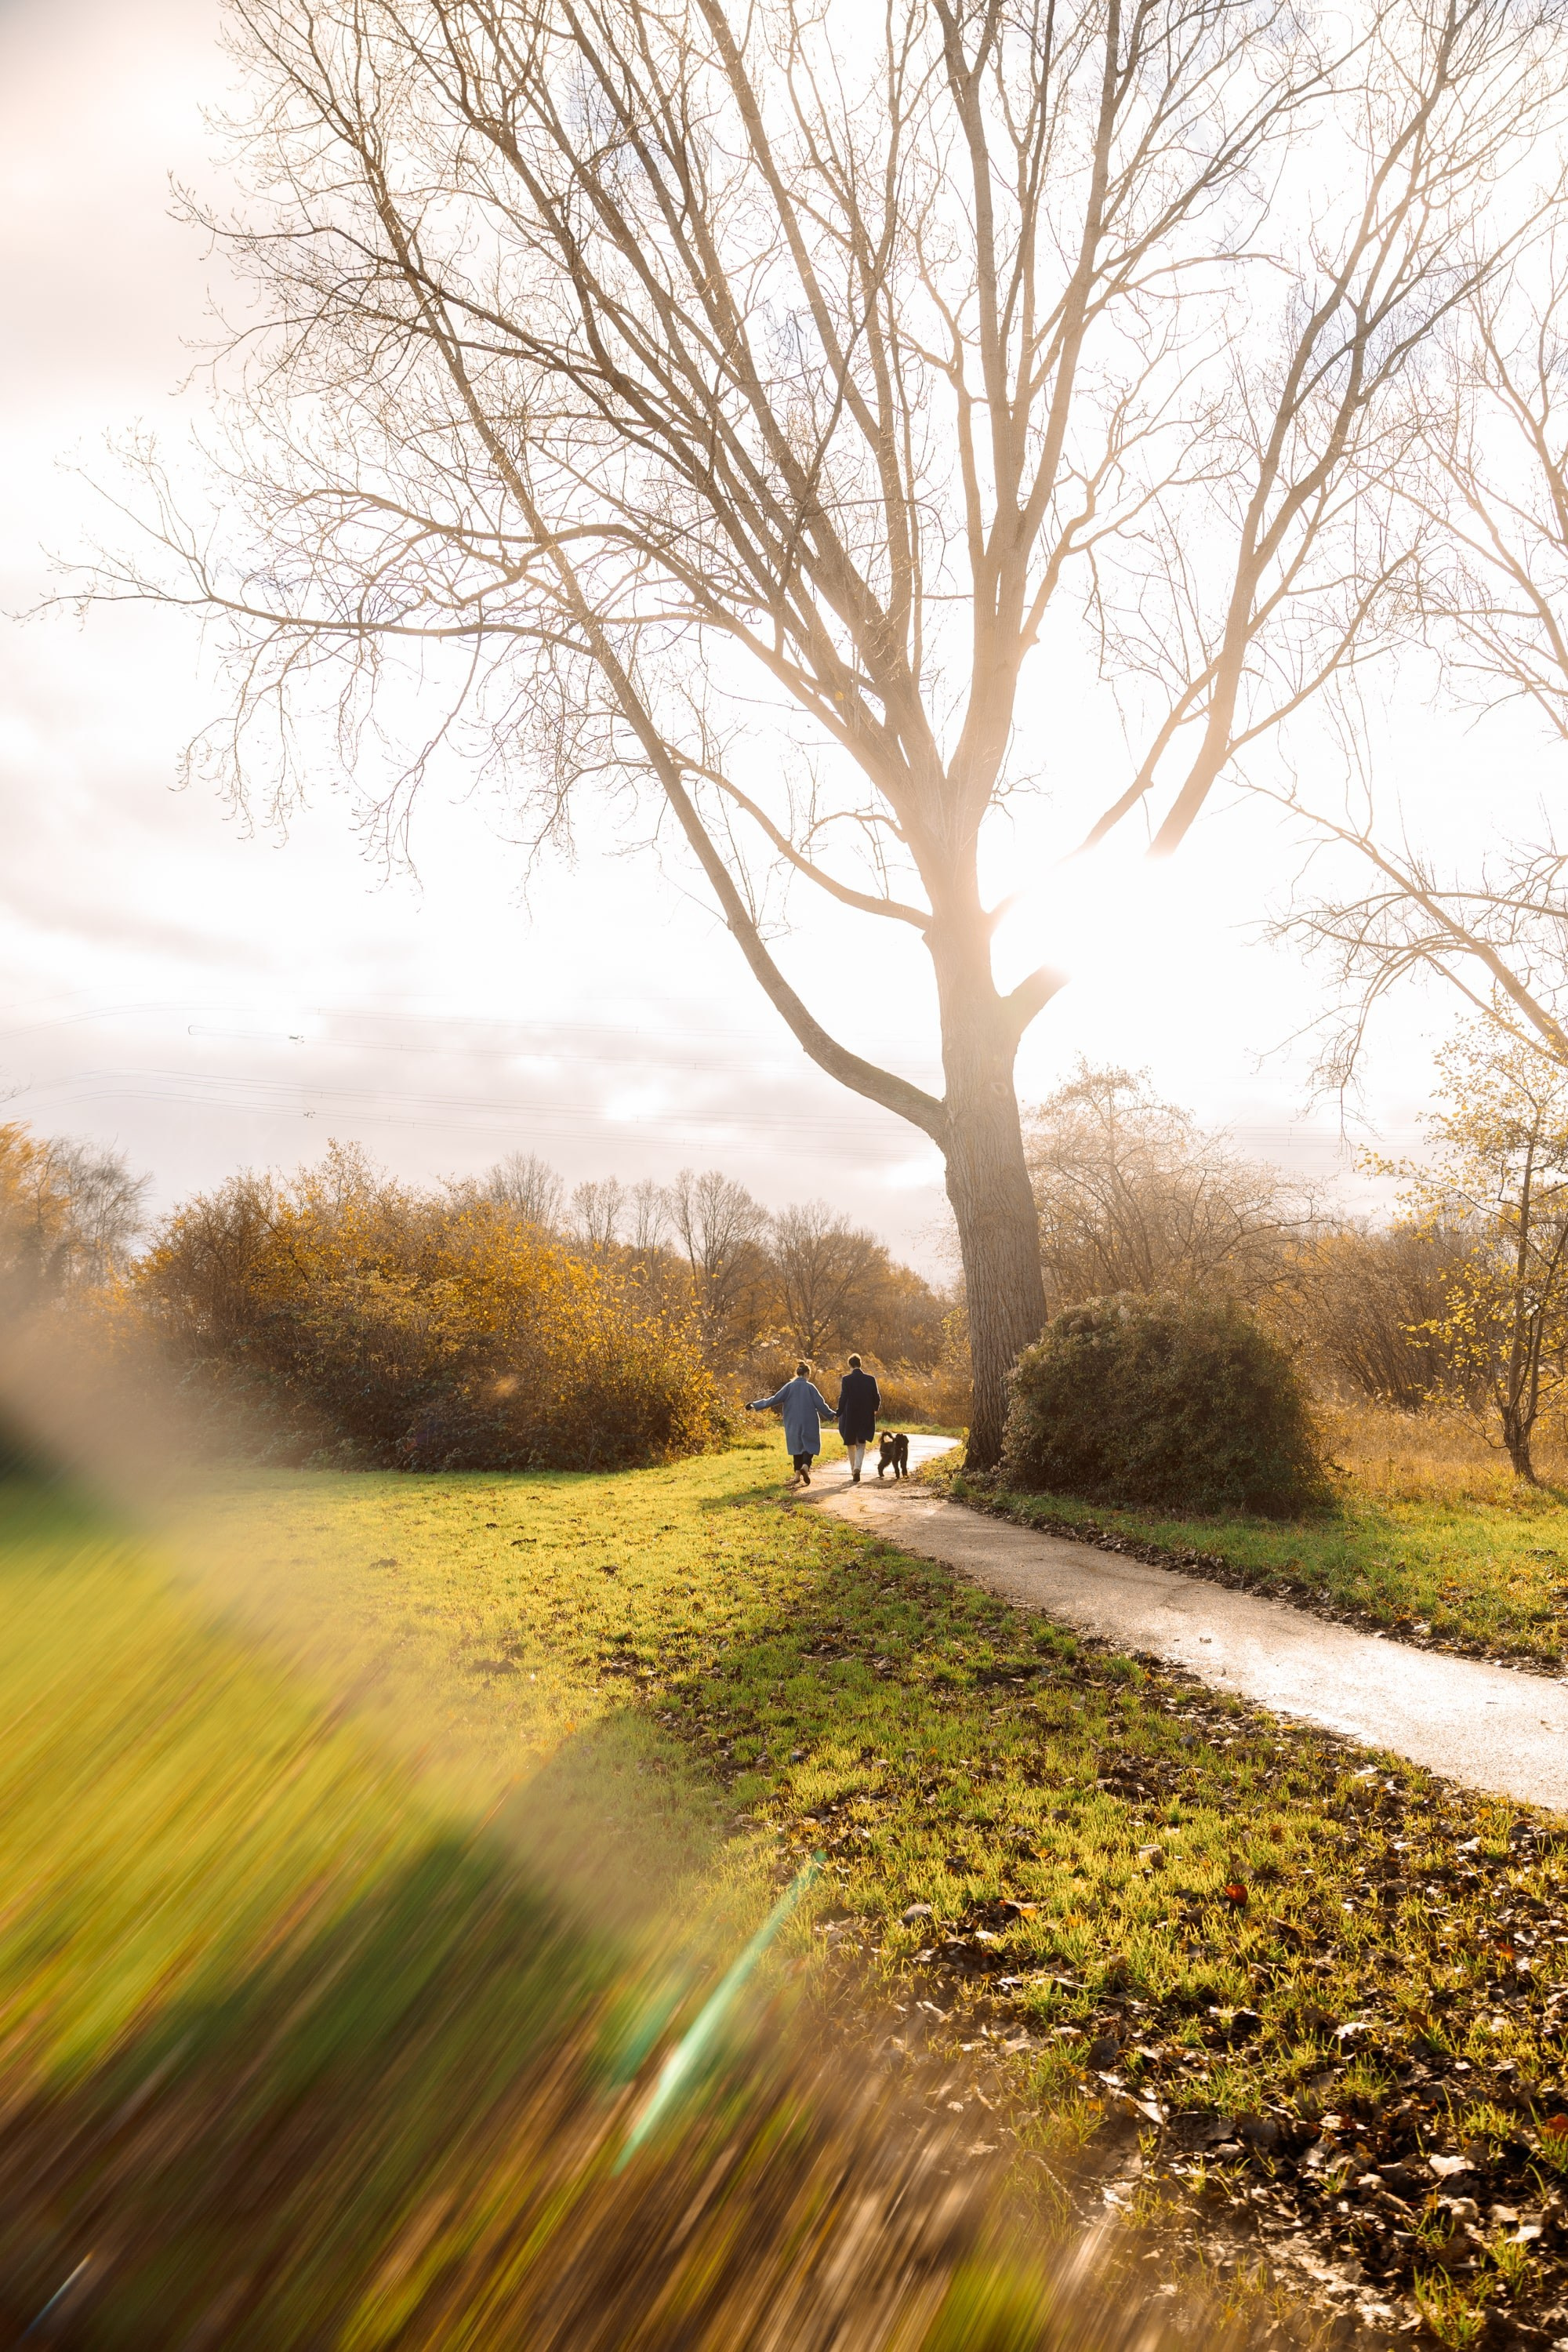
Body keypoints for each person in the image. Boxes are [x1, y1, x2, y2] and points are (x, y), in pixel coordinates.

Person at [746, 1360, 837, 1486]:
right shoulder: (810, 1387)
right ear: (807, 1374)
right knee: (809, 1445)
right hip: (809, 1421)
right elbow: (820, 1404)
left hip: (793, 1422)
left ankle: (796, 1476)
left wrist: (754, 1405)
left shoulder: (789, 1387)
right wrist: (831, 1415)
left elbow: (774, 1400)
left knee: (797, 1447)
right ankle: (805, 1467)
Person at [834, 1352, 881, 1484]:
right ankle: (857, 1469)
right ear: (860, 1364)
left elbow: (843, 1397)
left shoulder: (846, 1379)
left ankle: (853, 1469)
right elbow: (877, 1397)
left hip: (850, 1416)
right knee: (861, 1444)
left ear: (850, 1365)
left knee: (850, 1444)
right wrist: (875, 1409)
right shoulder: (870, 1379)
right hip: (865, 1415)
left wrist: (839, 1412)